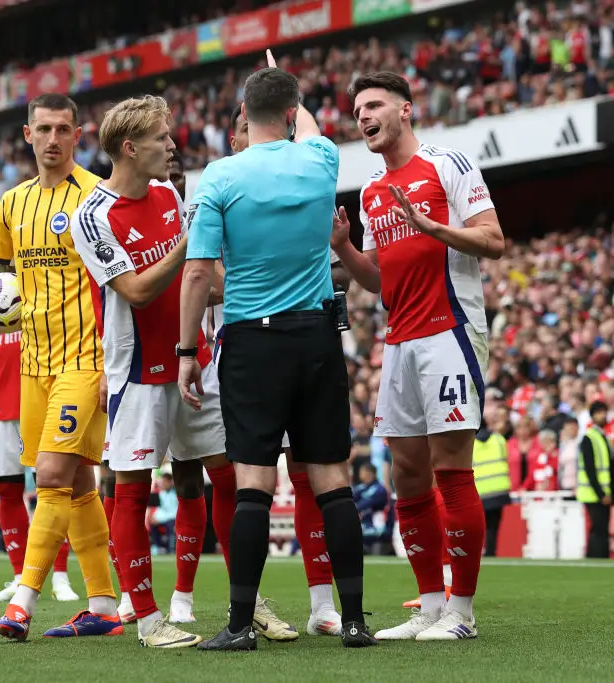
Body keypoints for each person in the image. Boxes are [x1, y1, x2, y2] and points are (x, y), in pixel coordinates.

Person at [179, 55, 375, 650]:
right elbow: (308, 126)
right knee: (333, 481)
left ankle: (241, 625)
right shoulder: (321, 158)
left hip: (251, 341)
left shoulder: (219, 176)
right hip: (316, 335)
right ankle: (354, 620)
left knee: (254, 486)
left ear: (243, 112)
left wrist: (187, 350)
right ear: (291, 113)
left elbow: (197, 273)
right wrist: (290, 89)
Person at [331, 71, 504, 640]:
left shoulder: (447, 164)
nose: (363, 116)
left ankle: (462, 612)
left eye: (374, 105)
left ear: (405, 109)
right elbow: (378, 282)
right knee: (406, 472)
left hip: (449, 329)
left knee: (451, 469)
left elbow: (494, 240)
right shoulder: (372, 191)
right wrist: (344, 248)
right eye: (358, 110)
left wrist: (433, 227)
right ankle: (430, 605)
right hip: (399, 338)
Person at [72, 94, 248, 648]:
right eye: (161, 138)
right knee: (133, 489)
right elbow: (138, 290)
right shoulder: (91, 217)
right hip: (137, 373)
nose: (172, 146)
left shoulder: (169, 193)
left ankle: (246, 604)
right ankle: (149, 621)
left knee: (228, 476)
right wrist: (189, 240)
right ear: (130, 147)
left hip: (193, 361)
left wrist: (252, 285)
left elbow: (202, 279)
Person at [0, 93, 119, 641]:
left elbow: (118, 286)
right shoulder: (13, 203)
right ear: (27, 135)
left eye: (63, 129)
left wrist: (115, 363)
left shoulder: (97, 197)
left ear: (78, 134)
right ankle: (104, 607)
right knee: (78, 484)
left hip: (85, 360)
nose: (53, 139)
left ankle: (22, 601)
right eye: (43, 129)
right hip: (33, 364)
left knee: (48, 476)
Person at [225, 100, 343, 637]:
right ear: (235, 139)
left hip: (267, 340)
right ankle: (242, 605)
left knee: (302, 474)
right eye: (242, 127)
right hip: (247, 346)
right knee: (233, 482)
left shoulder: (286, 185)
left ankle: (321, 605)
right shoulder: (225, 187)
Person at [0, 220, 79, 603]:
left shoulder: (42, 285)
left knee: (54, 488)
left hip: (43, 401)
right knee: (8, 493)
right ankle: (18, 576)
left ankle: (60, 576)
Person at [575, 401, 614, 559]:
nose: (603, 415)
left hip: (601, 493)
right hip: (593, 494)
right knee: (599, 529)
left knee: (601, 529)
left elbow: (612, 468)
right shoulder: (589, 438)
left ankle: (597, 558)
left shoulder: (604, 438)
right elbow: (590, 470)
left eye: (604, 412)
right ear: (592, 416)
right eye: (599, 413)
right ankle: (597, 558)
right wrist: (601, 493)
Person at [471, 423, 511, 557]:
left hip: (479, 489)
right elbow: (506, 458)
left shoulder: (470, 442)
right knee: (493, 524)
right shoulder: (499, 439)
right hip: (498, 488)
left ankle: (475, 551)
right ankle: (490, 551)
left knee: (476, 524)